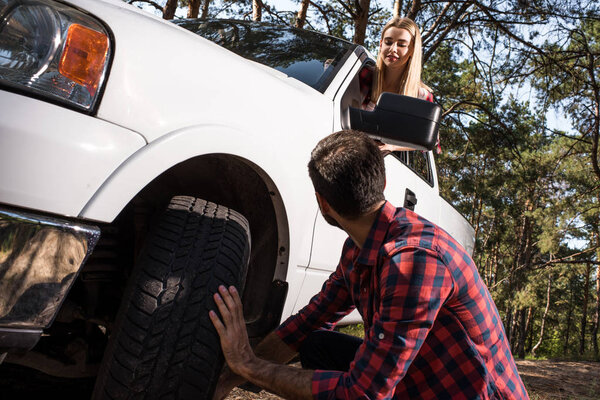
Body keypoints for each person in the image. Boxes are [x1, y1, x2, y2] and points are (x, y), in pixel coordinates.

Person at [209, 130, 529, 400]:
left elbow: (362, 393)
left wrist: (250, 364)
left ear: (324, 204)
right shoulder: (359, 249)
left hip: (465, 393)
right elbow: (310, 321)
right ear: (383, 182)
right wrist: (228, 377)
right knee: (318, 345)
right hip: (418, 381)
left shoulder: (415, 264)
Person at [360, 17, 440, 153]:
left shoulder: (421, 96)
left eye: (401, 45)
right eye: (388, 42)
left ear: (412, 50)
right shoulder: (364, 75)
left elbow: (428, 141)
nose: (393, 49)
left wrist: (392, 147)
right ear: (381, 44)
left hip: (378, 164)